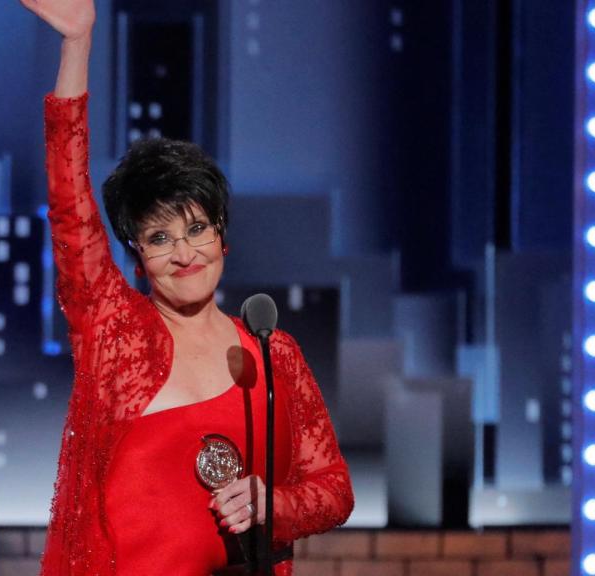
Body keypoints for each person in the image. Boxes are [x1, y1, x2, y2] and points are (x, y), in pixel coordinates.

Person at [19, 1, 354, 574]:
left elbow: (334, 488)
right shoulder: (115, 334)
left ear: (223, 238)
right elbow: (69, 201)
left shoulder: (275, 357)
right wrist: (78, 42)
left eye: (197, 228)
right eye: (159, 237)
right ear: (138, 258)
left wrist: (277, 505)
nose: (184, 252)